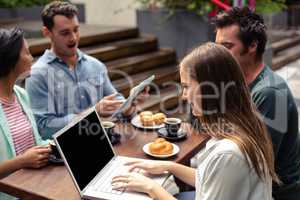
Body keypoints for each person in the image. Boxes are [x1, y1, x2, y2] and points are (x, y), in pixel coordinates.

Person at [111, 42, 279, 199]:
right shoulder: (237, 129)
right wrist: (169, 167)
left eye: (186, 86)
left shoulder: (229, 153)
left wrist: (151, 188)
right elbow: (207, 180)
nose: (183, 96)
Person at [25, 1, 147, 139]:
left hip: (103, 142)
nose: (73, 38)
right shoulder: (37, 74)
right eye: (65, 33)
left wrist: (130, 104)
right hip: (64, 152)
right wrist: (92, 113)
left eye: (76, 30)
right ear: (47, 32)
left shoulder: (95, 65)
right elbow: (44, 128)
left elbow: (117, 106)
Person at [213, 7, 300, 199]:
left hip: (273, 192)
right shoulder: (235, 81)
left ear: (252, 45)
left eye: (226, 47)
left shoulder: (270, 92)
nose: (218, 54)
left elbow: (251, 162)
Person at [0, 28, 51, 200]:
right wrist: (21, 161)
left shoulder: (21, 95)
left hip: (34, 187)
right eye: (27, 52)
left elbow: (35, 142)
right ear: (11, 59)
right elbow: (25, 157)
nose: (32, 58)